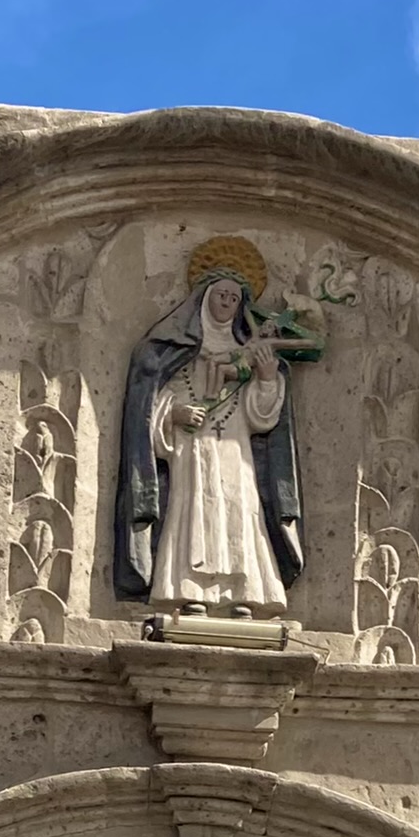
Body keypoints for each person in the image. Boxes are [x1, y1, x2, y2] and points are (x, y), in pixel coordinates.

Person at [114, 238, 311, 610]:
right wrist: (174, 415)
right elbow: (154, 400)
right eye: (221, 295)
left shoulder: (247, 356)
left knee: (240, 508)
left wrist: (267, 378)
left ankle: (245, 594)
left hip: (236, 448)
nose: (227, 303)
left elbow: (262, 416)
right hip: (191, 447)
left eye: (235, 299)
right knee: (192, 510)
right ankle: (188, 593)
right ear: (205, 298)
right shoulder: (172, 351)